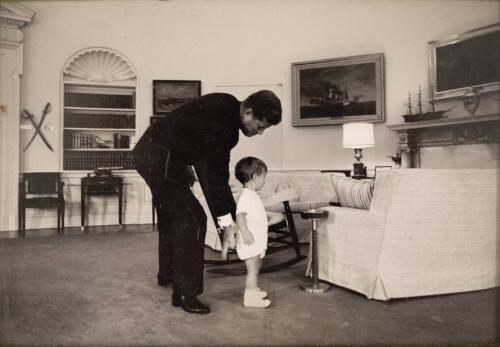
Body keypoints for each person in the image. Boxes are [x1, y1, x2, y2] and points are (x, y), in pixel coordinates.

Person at [132, 90, 282, 314]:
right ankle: (185, 294)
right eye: (260, 126)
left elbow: (207, 168)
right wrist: (226, 225)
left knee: (171, 212)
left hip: (155, 154)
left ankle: (168, 273)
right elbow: (215, 179)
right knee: (193, 219)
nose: (259, 132)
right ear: (248, 112)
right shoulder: (226, 126)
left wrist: (225, 224)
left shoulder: (226, 105)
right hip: (157, 156)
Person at [234, 157, 271, 308]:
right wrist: (245, 231)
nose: (264, 181)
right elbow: (240, 216)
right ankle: (250, 298)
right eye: (264, 177)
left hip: (255, 241)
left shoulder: (251, 195)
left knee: (256, 266)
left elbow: (252, 213)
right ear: (255, 177)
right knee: (252, 270)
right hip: (250, 241)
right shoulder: (245, 196)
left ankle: (253, 290)